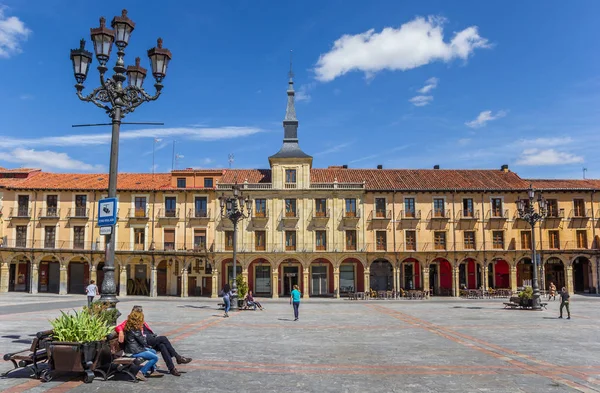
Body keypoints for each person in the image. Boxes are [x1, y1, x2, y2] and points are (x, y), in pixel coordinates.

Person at [116, 305, 191, 376]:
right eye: (139, 311)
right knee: (163, 338)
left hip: (147, 340)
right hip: (144, 341)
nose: (141, 313)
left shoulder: (141, 321)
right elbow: (118, 327)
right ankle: (178, 357)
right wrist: (121, 332)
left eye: (141, 311)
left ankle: (172, 369)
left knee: (162, 346)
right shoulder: (130, 322)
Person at [123, 310, 159, 381]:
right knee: (155, 358)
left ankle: (153, 369)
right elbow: (143, 341)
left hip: (133, 349)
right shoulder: (135, 329)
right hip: (134, 351)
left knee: (153, 351)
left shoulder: (129, 327)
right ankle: (141, 372)